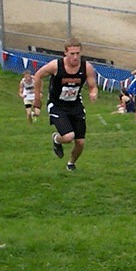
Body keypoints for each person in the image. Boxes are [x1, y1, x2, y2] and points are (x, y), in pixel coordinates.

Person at [33, 37, 98, 171]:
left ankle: (71, 163)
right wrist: (37, 99)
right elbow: (38, 75)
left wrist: (93, 93)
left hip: (75, 105)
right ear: (65, 53)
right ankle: (57, 139)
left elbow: (93, 85)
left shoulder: (87, 67)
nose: (75, 57)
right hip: (57, 105)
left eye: (78, 53)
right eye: (72, 54)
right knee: (68, 136)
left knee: (80, 142)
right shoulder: (56, 66)